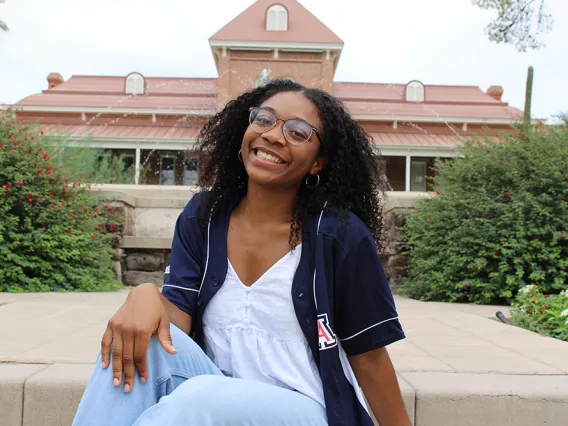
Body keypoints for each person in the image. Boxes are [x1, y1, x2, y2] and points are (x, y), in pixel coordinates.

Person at [72, 79, 411, 426]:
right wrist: (144, 295)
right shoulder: (205, 216)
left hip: (308, 411)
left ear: (318, 163)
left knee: (196, 399)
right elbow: (174, 329)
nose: (274, 136)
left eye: (297, 133)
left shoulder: (339, 234)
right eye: (264, 120)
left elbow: (369, 357)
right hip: (220, 396)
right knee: (137, 342)